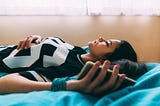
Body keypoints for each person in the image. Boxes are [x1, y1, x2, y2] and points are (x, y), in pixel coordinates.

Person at [0, 35, 146, 95]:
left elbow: (4, 83)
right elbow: (44, 46)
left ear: (104, 60)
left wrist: (69, 85)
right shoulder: (76, 49)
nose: (101, 37)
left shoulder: (70, 68)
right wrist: (36, 38)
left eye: (106, 43)